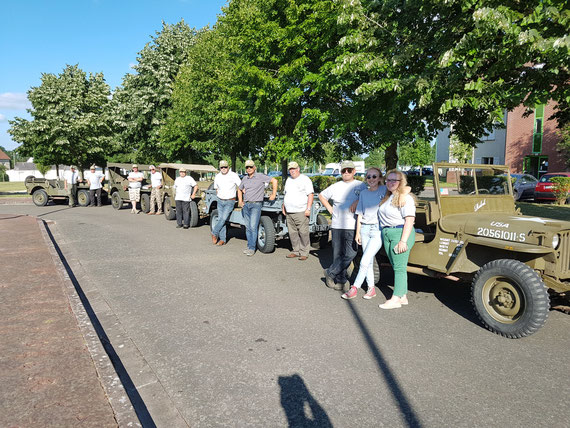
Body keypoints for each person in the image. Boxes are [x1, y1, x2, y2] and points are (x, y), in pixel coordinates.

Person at [318, 160, 367, 290]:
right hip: (337, 225)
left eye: (349, 170)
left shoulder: (361, 186)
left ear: (354, 172)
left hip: (353, 225)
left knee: (351, 253)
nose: (346, 173)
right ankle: (340, 280)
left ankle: (330, 272)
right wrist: (329, 208)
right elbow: (322, 195)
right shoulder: (336, 186)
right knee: (338, 255)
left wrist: (358, 201)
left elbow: (368, 197)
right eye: (344, 170)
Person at [341, 167, 385, 299]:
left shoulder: (384, 190)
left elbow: (401, 188)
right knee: (369, 261)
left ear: (379, 179)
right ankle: (371, 288)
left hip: (378, 229)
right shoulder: (364, 193)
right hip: (365, 229)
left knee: (365, 260)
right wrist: (357, 233)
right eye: (369, 177)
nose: (371, 179)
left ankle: (355, 287)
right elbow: (359, 214)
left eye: (374, 176)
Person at [378, 170, 416, 309]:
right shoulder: (388, 196)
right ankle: (403, 296)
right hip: (387, 233)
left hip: (400, 232)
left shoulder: (405, 198)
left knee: (399, 267)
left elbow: (410, 219)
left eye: (395, 180)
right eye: (388, 180)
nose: (391, 182)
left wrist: (403, 241)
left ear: (401, 182)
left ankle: (395, 299)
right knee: (395, 265)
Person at [237, 160, 278, 256]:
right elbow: (239, 189)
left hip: (256, 205)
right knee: (247, 227)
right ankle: (249, 246)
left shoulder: (260, 176)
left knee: (252, 227)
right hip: (246, 205)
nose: (249, 169)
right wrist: (240, 201)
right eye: (247, 167)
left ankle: (252, 248)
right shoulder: (245, 178)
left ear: (254, 167)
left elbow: (274, 181)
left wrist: (273, 194)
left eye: (251, 167)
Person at [282, 161, 314, 261]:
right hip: (289, 211)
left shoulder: (305, 179)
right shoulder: (288, 180)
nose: (292, 171)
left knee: (303, 232)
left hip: (301, 210)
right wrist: (284, 206)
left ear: (298, 169)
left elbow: (310, 194)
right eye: (290, 169)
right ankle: (296, 251)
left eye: (294, 169)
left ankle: (304, 252)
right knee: (292, 232)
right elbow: (286, 194)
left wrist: (308, 208)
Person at [211, 160, 241, 246]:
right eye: (222, 167)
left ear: (228, 167)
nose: (223, 169)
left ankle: (214, 232)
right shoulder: (217, 176)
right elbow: (217, 189)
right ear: (219, 168)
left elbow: (241, 186)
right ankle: (223, 239)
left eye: (225, 167)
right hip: (220, 200)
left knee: (223, 219)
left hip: (230, 201)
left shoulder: (234, 175)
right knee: (221, 219)